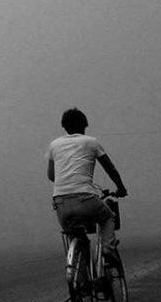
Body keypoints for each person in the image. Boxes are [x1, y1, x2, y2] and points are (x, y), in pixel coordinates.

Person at [46, 108, 128, 257]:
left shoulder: (54, 145)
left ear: (64, 127)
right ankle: (108, 249)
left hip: (60, 203)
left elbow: (52, 176)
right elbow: (110, 169)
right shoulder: (91, 142)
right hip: (86, 198)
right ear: (84, 126)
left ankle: (78, 267)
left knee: (74, 233)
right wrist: (121, 188)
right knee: (108, 217)